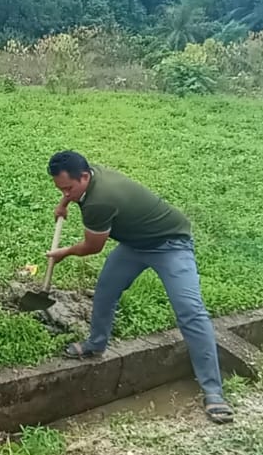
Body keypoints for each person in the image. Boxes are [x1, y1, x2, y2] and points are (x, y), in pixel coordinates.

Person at [46, 151, 232, 424]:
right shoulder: (89, 174)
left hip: (171, 244)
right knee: (107, 289)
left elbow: (92, 247)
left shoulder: (100, 201)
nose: (66, 193)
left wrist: (63, 252)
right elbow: (75, 191)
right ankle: (95, 345)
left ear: (84, 176)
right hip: (135, 245)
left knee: (190, 311)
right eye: (61, 189)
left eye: (68, 188)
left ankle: (214, 391)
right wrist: (65, 202)